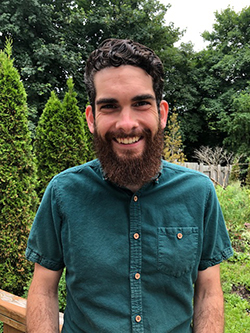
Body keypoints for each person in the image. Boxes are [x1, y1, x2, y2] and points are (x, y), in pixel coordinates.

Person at [26, 38, 233, 333]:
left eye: (140, 104)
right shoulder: (63, 193)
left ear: (161, 113)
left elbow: (208, 292)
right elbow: (44, 289)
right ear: (91, 118)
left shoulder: (199, 193)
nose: (126, 123)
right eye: (109, 106)